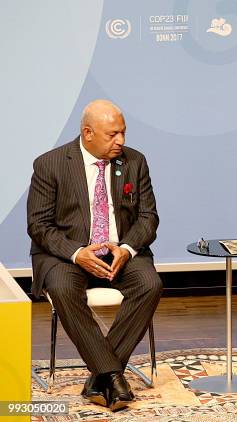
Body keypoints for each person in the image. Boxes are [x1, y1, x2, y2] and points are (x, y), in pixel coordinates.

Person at [27, 100, 163, 411]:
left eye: (123, 133)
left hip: (119, 251)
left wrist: (126, 249)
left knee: (149, 284)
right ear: (88, 133)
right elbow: (39, 225)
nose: (121, 141)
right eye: (113, 134)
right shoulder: (50, 164)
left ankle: (100, 378)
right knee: (62, 288)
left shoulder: (134, 162)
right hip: (66, 255)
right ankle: (112, 375)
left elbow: (148, 217)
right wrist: (77, 253)